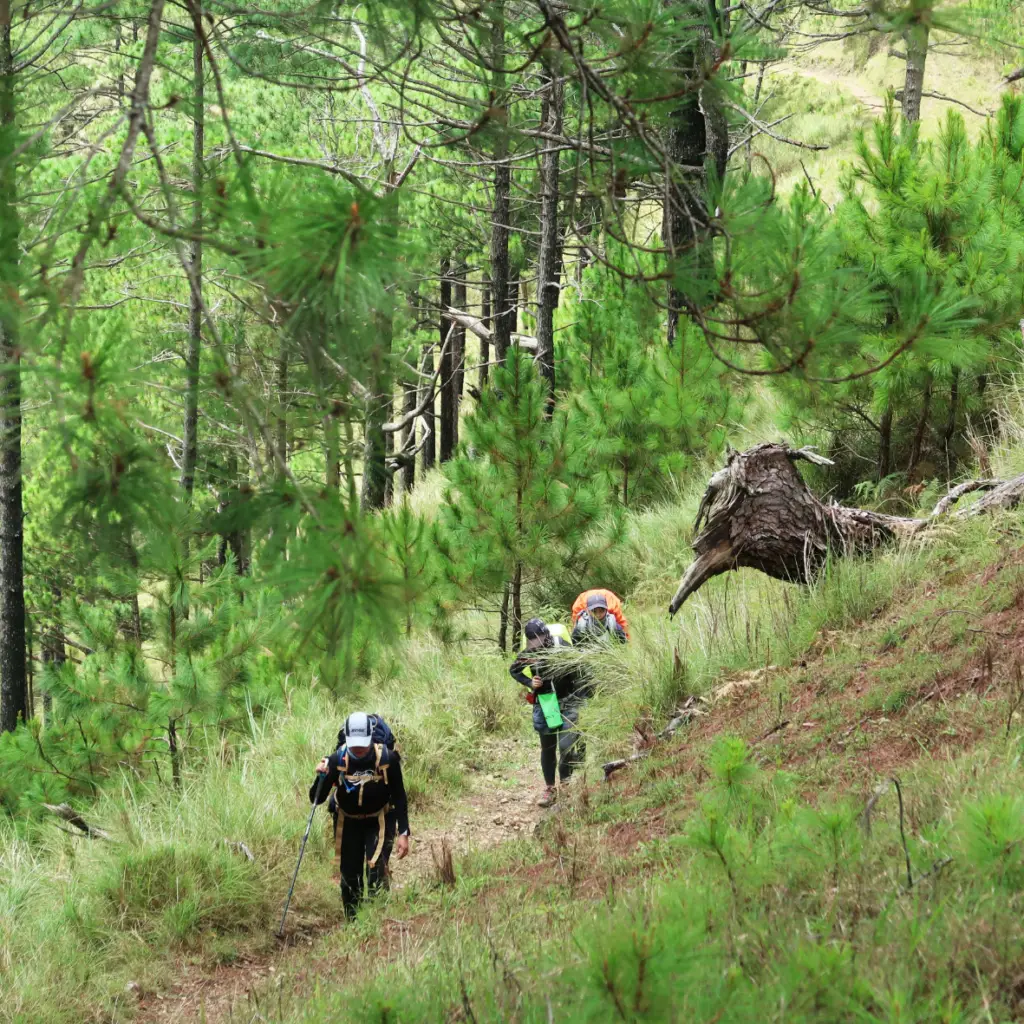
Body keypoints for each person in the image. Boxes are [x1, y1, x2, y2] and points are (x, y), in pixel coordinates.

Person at [310, 711, 410, 918]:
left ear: (370, 739)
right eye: (354, 743)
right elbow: (316, 799)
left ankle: (377, 920)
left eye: (362, 744)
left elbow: (399, 796)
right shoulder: (337, 760)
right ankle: (353, 923)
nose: (359, 748)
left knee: (376, 871)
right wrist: (320, 778)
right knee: (349, 875)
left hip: (380, 820)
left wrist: (404, 833)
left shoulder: (387, 759)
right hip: (347, 822)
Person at [509, 618, 593, 808]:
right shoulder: (529, 654)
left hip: (569, 701)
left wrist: (584, 697)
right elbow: (514, 670)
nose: (534, 643)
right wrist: (530, 683)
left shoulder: (561, 647)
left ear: (546, 635)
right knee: (548, 747)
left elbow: (581, 669)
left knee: (565, 746)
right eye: (531, 639)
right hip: (547, 703)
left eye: (537, 638)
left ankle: (565, 785)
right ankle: (549, 788)